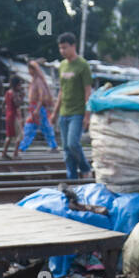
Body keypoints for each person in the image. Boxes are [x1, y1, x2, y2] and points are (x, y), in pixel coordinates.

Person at [53, 33, 92, 180]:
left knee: (73, 144)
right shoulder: (62, 66)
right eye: (60, 48)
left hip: (78, 112)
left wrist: (87, 114)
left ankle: (86, 168)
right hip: (64, 113)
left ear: (73, 46)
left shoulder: (83, 65)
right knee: (66, 150)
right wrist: (55, 112)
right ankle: (72, 179)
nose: (62, 51)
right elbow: (61, 91)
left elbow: (88, 91)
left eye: (65, 48)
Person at [17, 61, 57, 153]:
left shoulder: (38, 81)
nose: (29, 72)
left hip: (38, 108)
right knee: (32, 127)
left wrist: (37, 109)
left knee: (43, 127)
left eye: (30, 70)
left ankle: (53, 146)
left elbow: (42, 96)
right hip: (34, 108)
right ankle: (22, 147)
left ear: (33, 70)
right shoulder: (34, 81)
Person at [0, 80, 21, 159]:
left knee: (9, 135)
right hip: (14, 116)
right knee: (20, 134)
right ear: (15, 85)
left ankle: (4, 153)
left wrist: (4, 110)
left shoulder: (8, 92)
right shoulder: (14, 93)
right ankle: (15, 153)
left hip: (8, 115)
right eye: (19, 85)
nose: (20, 87)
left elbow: (3, 103)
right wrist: (21, 98)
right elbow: (17, 104)